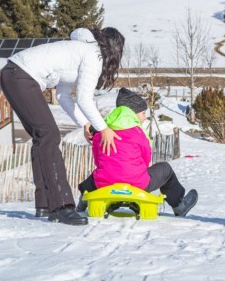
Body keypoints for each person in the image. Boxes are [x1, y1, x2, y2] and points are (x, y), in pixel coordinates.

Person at [0, 27, 125, 226]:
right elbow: (85, 99)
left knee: (42, 137)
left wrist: (84, 124)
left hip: (13, 74)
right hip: (22, 76)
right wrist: (102, 128)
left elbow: (62, 96)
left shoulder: (76, 51)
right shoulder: (93, 55)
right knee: (49, 135)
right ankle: (62, 206)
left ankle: (45, 204)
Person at [77, 88, 198, 217]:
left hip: (105, 183)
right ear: (133, 113)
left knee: (97, 174)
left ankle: (83, 201)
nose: (144, 118)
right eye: (143, 113)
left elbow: (98, 160)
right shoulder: (139, 133)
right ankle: (179, 205)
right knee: (165, 169)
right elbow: (146, 158)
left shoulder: (101, 130)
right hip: (137, 183)